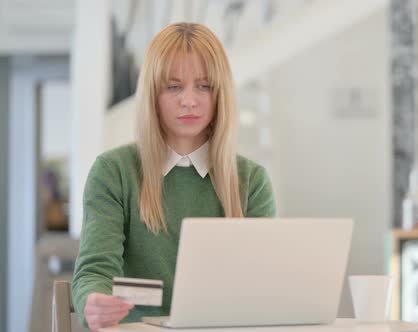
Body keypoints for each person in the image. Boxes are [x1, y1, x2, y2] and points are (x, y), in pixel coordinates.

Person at [72, 22, 277, 331]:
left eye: (204, 86)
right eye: (173, 86)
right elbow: (94, 271)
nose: (189, 100)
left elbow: (263, 284)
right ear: (153, 93)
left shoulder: (252, 180)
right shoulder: (114, 172)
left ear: (219, 93)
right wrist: (94, 301)